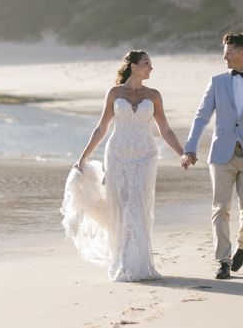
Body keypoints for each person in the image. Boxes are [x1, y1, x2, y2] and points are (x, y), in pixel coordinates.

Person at [61, 50, 191, 282]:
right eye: (146, 63)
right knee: (121, 206)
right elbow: (101, 128)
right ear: (133, 66)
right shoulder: (114, 93)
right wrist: (83, 157)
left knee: (138, 205)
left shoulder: (154, 95)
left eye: (151, 64)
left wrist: (182, 153)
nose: (150, 68)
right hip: (118, 155)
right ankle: (123, 260)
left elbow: (165, 129)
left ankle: (139, 263)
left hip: (145, 157)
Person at [182, 32, 243, 280]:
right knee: (220, 208)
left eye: (229, 52)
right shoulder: (216, 82)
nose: (225, 57)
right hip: (221, 154)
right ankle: (223, 260)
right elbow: (201, 116)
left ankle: (242, 245)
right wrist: (190, 147)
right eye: (224, 52)